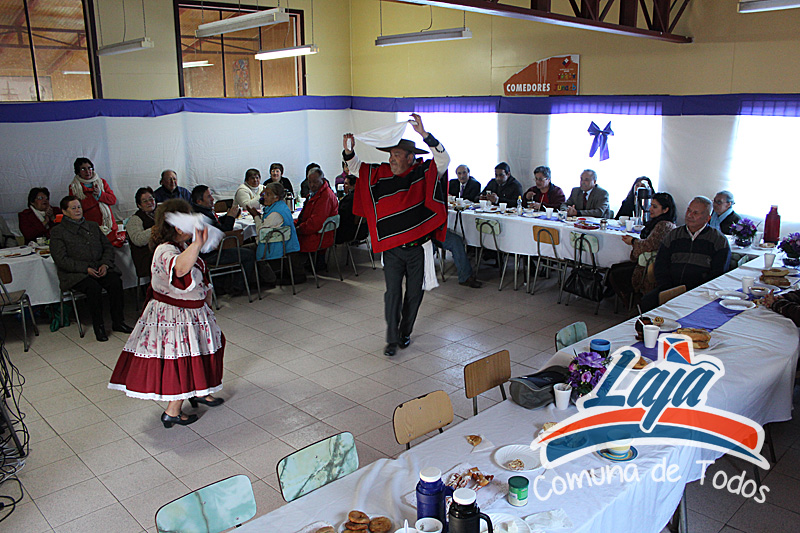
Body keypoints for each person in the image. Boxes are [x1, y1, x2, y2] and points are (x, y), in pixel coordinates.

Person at [108, 199, 225, 429]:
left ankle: (200, 391)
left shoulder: (181, 246)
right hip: (176, 317)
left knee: (200, 353)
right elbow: (179, 269)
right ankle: (173, 411)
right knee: (182, 361)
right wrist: (197, 244)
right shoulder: (165, 250)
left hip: (192, 314)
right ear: (178, 227)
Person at [344, 113, 449, 357]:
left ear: (410, 158)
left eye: (397, 155)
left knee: (414, 294)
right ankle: (391, 340)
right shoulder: (381, 174)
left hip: (417, 249)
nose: (391, 159)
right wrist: (349, 151)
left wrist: (425, 135)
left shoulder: (422, 173)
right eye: (390, 154)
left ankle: (405, 332)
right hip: (392, 249)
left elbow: (443, 159)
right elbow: (356, 168)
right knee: (392, 294)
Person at [50, 195, 132, 341]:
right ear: (65, 211)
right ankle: (99, 326)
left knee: (115, 282)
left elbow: (108, 247)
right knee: (93, 288)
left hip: (99, 267)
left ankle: (118, 322)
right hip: (76, 273)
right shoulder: (58, 232)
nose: (78, 210)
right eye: (73, 208)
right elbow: (61, 259)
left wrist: (105, 264)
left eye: (79, 207)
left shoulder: (92, 226)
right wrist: (85, 268)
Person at [640, 196, 731, 312]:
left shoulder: (718, 240)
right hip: (671, 286)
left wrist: (694, 290)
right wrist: (668, 286)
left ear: (707, 218)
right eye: (689, 210)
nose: (689, 215)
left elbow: (718, 273)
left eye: (695, 213)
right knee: (647, 303)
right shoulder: (673, 235)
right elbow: (661, 263)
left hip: (700, 292)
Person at [191, 185, 266, 295]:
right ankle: (237, 287)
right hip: (210, 255)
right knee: (249, 254)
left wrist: (229, 216)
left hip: (212, 251)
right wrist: (230, 217)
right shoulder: (201, 216)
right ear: (199, 201)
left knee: (246, 249)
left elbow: (216, 224)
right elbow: (223, 233)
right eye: (208, 196)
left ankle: (233, 284)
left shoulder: (202, 211)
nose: (212, 199)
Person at [607, 192, 677, 304]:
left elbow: (649, 245)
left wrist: (633, 241)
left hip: (651, 265)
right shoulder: (657, 222)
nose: (650, 209)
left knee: (616, 274)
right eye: (651, 205)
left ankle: (633, 303)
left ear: (665, 210)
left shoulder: (664, 225)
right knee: (614, 269)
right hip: (646, 260)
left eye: (655, 207)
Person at [246, 182, 305, 284]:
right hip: (285, 244)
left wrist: (255, 216)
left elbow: (261, 233)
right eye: (264, 194)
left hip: (274, 246)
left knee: (245, 251)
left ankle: (266, 279)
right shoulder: (282, 206)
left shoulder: (275, 213)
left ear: (276, 198)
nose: (264, 197)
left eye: (268, 194)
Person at [69, 157, 120, 242]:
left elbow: (113, 200)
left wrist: (100, 195)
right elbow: (77, 208)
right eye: (83, 169)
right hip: (89, 227)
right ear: (78, 171)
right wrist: (94, 198)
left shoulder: (101, 182)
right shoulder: (74, 187)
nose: (87, 171)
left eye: (89, 168)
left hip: (108, 226)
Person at [295, 167, 339, 254]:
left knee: (286, 245)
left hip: (317, 237)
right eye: (309, 182)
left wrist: (299, 229)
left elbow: (315, 223)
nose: (312, 185)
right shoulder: (316, 193)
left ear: (322, 180)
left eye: (315, 182)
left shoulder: (325, 196)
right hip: (317, 233)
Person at [127, 187, 158, 279]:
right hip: (147, 256)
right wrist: (155, 229)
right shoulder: (135, 219)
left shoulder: (160, 214)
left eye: (151, 199)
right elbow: (138, 240)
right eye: (145, 201)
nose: (149, 203)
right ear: (139, 205)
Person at [336, 174, 367, 245]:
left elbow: (341, 214)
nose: (344, 186)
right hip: (363, 230)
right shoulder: (362, 196)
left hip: (349, 232)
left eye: (346, 184)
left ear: (354, 186)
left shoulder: (350, 199)